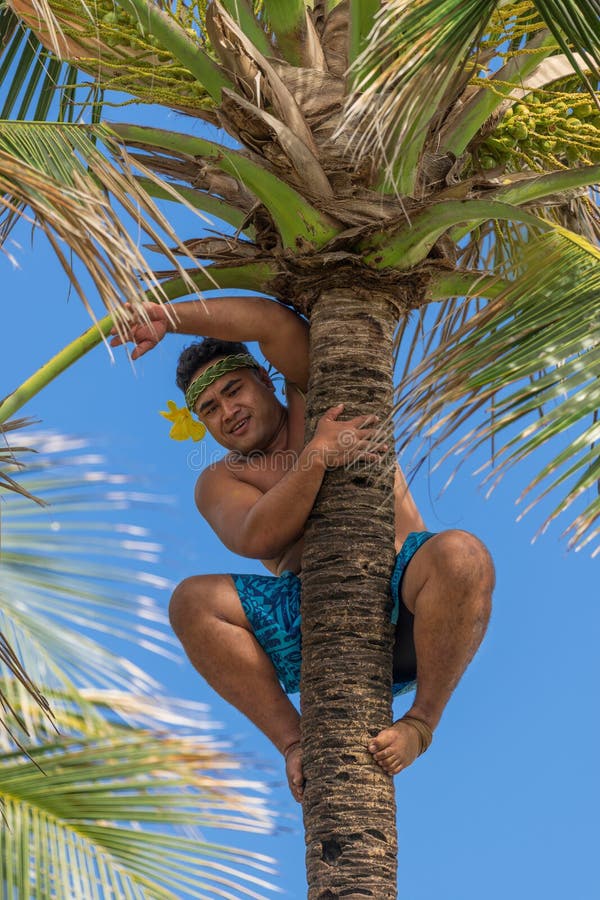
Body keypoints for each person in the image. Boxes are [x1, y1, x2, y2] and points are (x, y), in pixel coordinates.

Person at [111, 295, 495, 803]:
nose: (228, 411)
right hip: (312, 624)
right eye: (210, 408)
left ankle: (421, 724)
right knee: (190, 602)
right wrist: (315, 458)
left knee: (463, 554)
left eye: (233, 390)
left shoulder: (314, 396)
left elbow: (275, 323)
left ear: (265, 379)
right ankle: (294, 743)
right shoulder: (220, 480)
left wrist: (167, 316)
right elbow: (257, 536)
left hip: (411, 601)